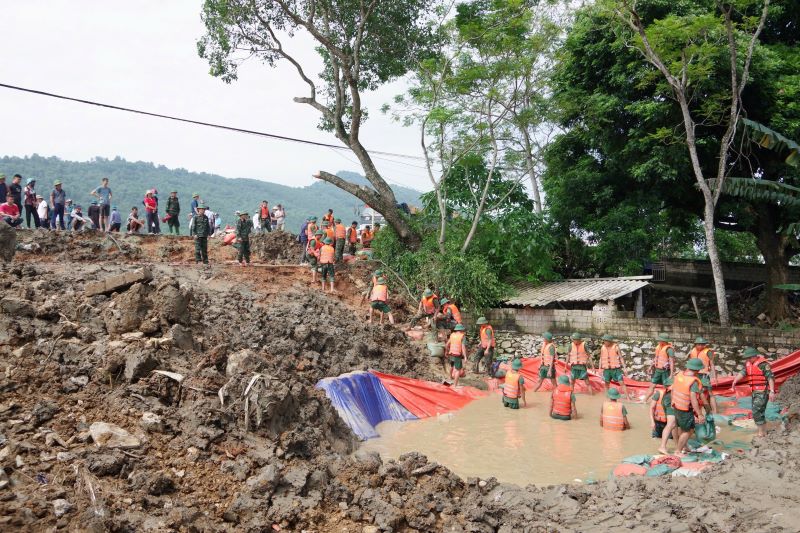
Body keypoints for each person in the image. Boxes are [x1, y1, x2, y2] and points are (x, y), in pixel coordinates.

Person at [731, 347, 776, 438]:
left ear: (755, 356)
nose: (748, 359)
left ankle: (761, 432)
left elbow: (770, 378)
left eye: (750, 357)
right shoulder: (748, 364)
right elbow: (743, 373)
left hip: (762, 391)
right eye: (747, 358)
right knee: (759, 411)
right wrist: (735, 381)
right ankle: (763, 431)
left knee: (756, 411)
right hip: (754, 391)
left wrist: (772, 391)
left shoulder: (763, 365)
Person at [671, 358, 706, 454]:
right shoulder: (693, 381)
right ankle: (678, 451)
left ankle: (684, 447)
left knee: (681, 428)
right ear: (697, 370)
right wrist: (699, 414)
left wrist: (672, 401)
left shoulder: (679, 375)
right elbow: (693, 399)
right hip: (685, 409)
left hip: (676, 406)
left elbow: (673, 389)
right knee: (688, 431)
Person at [688, 336, 718, 415]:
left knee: (710, 393)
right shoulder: (692, 351)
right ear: (695, 344)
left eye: (702, 344)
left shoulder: (708, 352)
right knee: (697, 393)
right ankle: (698, 411)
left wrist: (714, 377)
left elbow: (712, 364)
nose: (701, 346)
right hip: (695, 374)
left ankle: (715, 412)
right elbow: (690, 363)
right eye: (699, 344)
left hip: (704, 375)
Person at [644, 333, 675, 402]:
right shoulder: (658, 347)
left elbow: (671, 362)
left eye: (661, 340)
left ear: (665, 341)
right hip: (658, 370)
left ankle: (670, 401)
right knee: (652, 385)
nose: (659, 341)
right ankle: (645, 400)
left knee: (667, 387)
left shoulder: (669, 350)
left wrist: (671, 374)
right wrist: (650, 366)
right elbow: (656, 358)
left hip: (665, 371)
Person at [599, 334, 629, 398]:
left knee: (621, 383)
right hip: (607, 369)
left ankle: (628, 398)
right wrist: (600, 369)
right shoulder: (602, 347)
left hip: (616, 369)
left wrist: (625, 369)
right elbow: (601, 358)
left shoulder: (616, 347)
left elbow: (621, 358)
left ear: (610, 341)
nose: (604, 342)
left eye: (606, 341)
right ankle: (607, 397)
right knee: (606, 384)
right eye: (604, 341)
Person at [657, 377, 680, 453]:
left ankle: (678, 446)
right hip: (670, 400)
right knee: (670, 424)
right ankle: (662, 447)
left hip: (667, 399)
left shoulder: (666, 392)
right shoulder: (672, 390)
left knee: (674, 425)